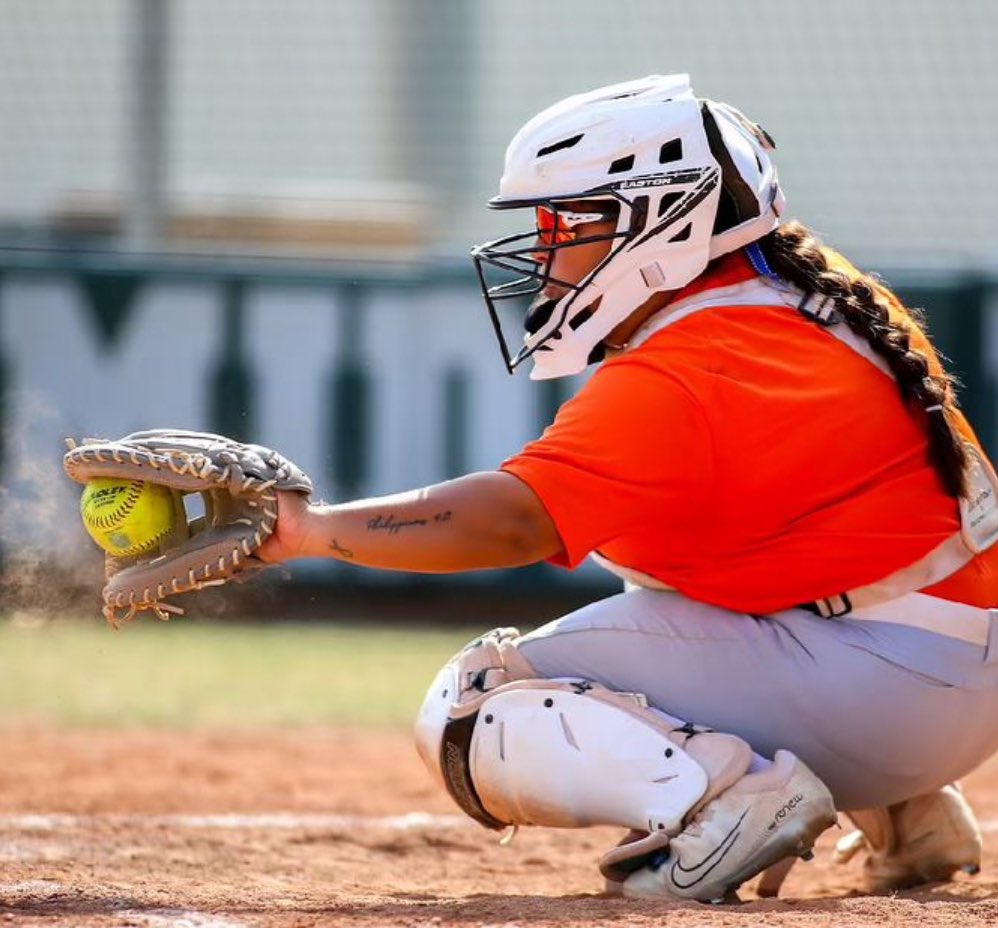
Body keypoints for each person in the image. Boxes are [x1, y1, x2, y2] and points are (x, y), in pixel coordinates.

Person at [258, 74, 998, 902]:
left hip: (887, 682)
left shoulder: (700, 358)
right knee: (668, 574)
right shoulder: (797, 295)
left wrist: (309, 530)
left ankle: (733, 803)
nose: (544, 251)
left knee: (477, 703)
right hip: (934, 670)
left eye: (566, 222)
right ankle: (905, 812)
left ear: (663, 220)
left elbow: (511, 524)